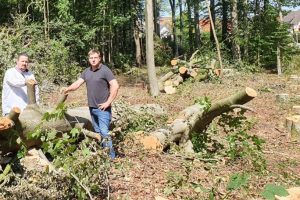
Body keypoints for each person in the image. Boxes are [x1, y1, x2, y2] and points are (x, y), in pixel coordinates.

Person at [64, 49, 119, 159]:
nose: (93, 60)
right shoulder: (86, 71)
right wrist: (68, 89)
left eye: (95, 58)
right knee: (97, 131)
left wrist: (108, 102)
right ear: (89, 59)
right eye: (91, 58)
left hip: (103, 109)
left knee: (104, 132)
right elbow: (78, 83)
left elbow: (115, 85)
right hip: (92, 107)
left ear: (100, 58)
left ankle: (111, 157)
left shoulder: (105, 70)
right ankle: (103, 153)